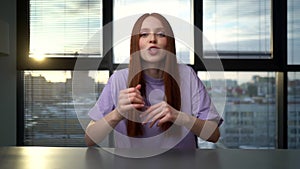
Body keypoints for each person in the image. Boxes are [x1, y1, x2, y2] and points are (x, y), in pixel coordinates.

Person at [85, 13, 223, 149]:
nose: (152, 39)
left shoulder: (187, 75)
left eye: (161, 34)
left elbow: (214, 135)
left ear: (169, 43)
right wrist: (117, 113)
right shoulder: (118, 79)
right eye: (144, 34)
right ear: (136, 43)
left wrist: (180, 117)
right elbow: (90, 139)